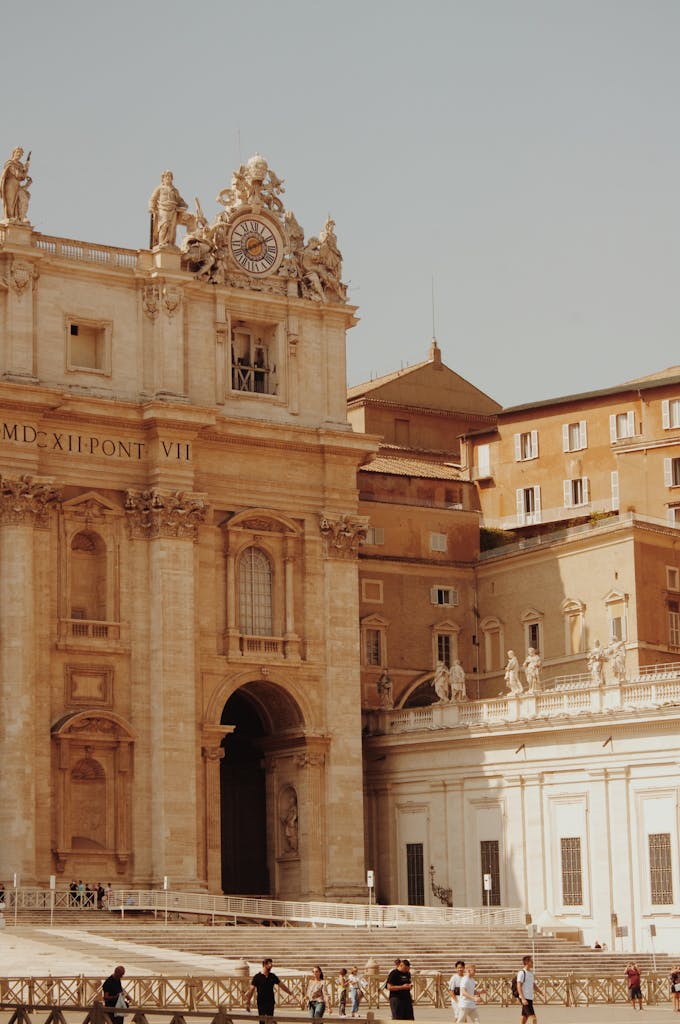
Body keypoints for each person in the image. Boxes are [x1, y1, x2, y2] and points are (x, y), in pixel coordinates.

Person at [148, 171, 190, 248]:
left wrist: (184, 206)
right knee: (164, 225)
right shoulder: (160, 188)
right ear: (163, 178)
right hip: (163, 209)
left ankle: (170, 243)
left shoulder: (175, 190)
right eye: (166, 176)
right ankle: (162, 242)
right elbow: (152, 199)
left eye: (170, 176)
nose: (168, 178)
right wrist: (151, 207)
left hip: (173, 210)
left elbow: (180, 200)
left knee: (172, 227)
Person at [0, 147, 31, 222]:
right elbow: (17, 174)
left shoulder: (20, 165)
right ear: (14, 153)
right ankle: (10, 218)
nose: (19, 155)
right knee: (10, 201)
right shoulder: (10, 163)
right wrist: (24, 171)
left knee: (18, 200)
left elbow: (22, 177)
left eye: (21, 154)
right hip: (10, 184)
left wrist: (26, 169)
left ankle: (17, 218)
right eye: (18, 153)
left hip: (17, 184)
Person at [516, 955, 537, 1024]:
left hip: (530, 998)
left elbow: (533, 985)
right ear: (527, 962)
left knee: (524, 1017)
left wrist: (542, 993)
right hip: (525, 998)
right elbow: (519, 986)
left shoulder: (531, 973)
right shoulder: (522, 973)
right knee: (533, 1019)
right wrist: (522, 998)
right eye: (531, 961)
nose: (533, 963)